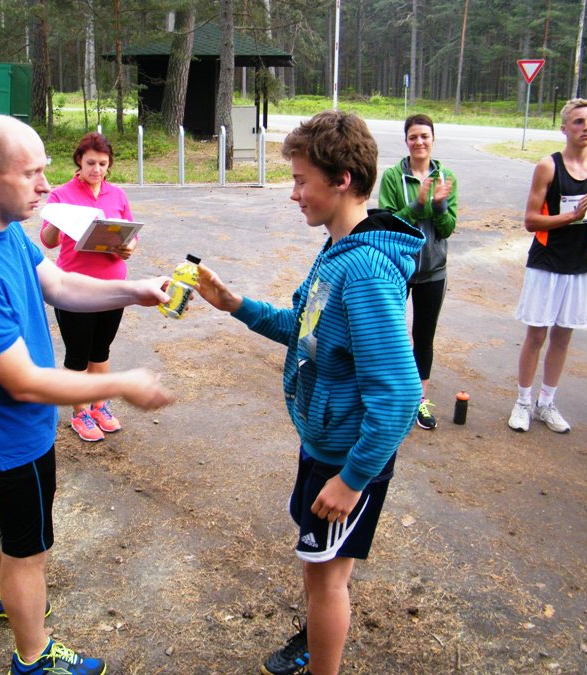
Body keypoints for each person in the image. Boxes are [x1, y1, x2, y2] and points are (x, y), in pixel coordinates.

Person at [0, 115, 173, 675]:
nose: (45, 185)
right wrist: (120, 383)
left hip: (17, 431)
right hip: (9, 434)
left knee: (15, 521)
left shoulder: (0, 228)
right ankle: (33, 656)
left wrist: (133, 290)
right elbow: (24, 381)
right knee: (29, 551)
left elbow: (56, 282)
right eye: (31, 173)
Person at [195, 110, 423, 675]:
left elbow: (399, 393)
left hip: (346, 457)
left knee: (326, 580)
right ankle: (317, 634)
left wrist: (352, 479)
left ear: (341, 179)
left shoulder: (364, 271)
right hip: (325, 443)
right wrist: (236, 305)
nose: (294, 193)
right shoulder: (338, 250)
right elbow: (307, 330)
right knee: (322, 568)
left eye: (301, 180)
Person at [508, 98, 587, 434]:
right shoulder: (548, 166)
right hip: (546, 261)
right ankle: (523, 402)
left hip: (581, 264)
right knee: (537, 334)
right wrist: (572, 215)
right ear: (564, 128)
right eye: (579, 122)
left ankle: (547, 403)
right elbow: (531, 220)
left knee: (563, 336)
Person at [40, 132, 137, 442]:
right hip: (75, 287)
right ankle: (79, 412)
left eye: (103, 164)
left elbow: (132, 235)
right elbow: (48, 241)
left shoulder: (117, 195)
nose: (97, 169)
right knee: (78, 353)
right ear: (79, 162)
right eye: (91, 163)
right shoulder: (61, 195)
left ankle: (99, 405)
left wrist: (128, 247)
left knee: (101, 349)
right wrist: (58, 221)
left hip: (113, 285)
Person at [378, 114, 457, 430]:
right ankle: (391, 397)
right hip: (398, 267)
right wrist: (418, 203)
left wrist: (438, 206)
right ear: (406, 141)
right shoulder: (393, 177)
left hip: (433, 271)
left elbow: (447, 229)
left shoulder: (446, 177)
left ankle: (419, 401)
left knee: (424, 337)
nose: (419, 142)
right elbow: (386, 222)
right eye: (413, 137)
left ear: (433, 139)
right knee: (390, 334)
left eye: (425, 136)